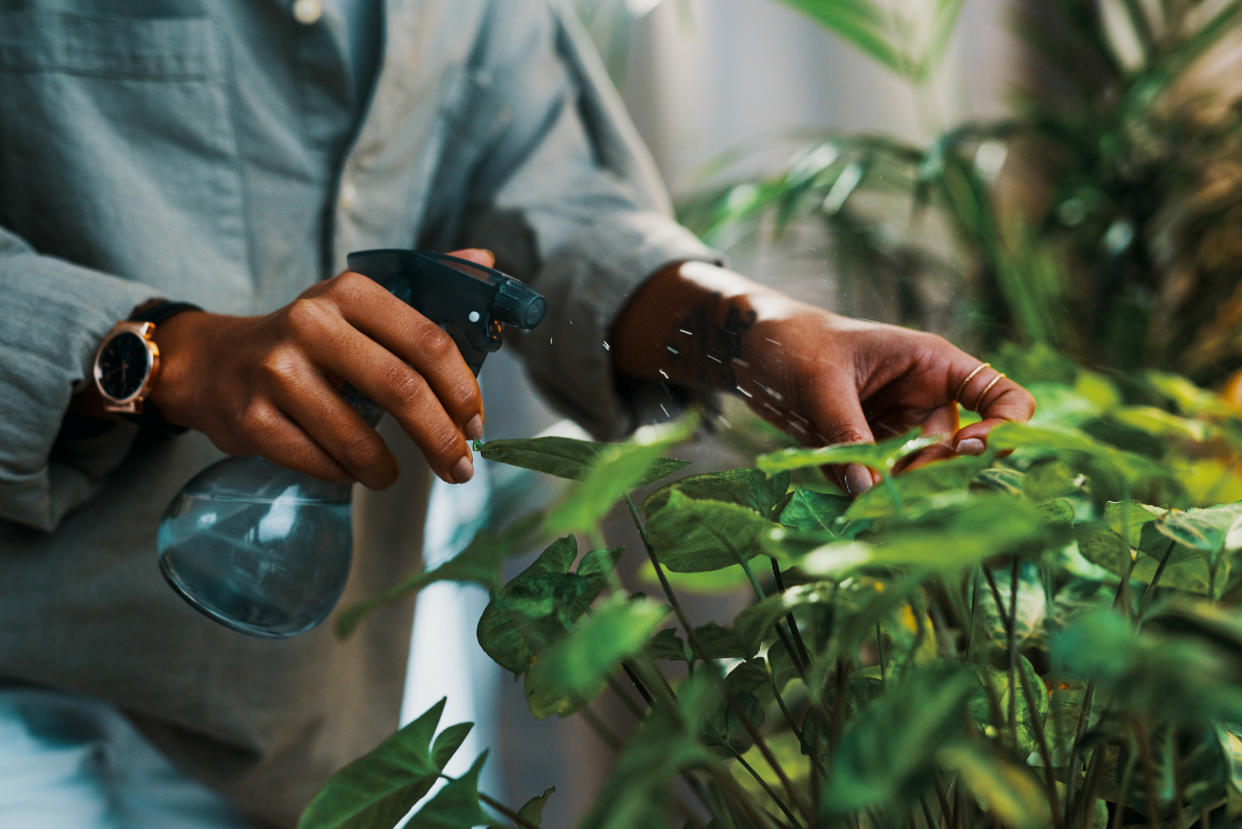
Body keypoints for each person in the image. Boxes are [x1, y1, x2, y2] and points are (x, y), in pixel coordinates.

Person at [0, 0, 1035, 825]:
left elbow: (559, 220)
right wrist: (162, 352)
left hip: (293, 731)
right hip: (31, 696)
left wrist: (763, 338)